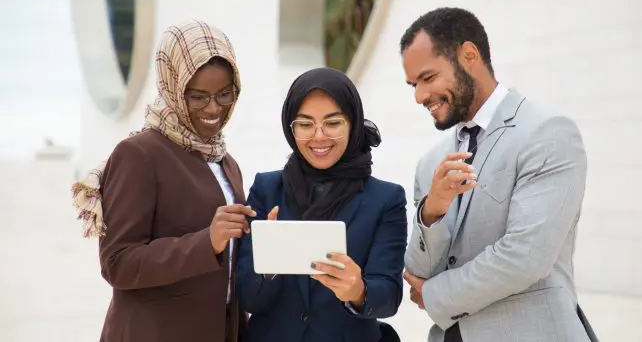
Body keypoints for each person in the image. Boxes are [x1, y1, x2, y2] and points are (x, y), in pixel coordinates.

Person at [399, 7, 597, 342]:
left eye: (428, 78)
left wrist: (435, 294)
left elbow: (525, 257)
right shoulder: (431, 161)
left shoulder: (547, 132)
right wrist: (431, 212)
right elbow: (419, 272)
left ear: (469, 55)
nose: (419, 96)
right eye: (413, 84)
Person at [71, 20, 252, 342]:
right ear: (173, 87)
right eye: (198, 97)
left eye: (225, 94)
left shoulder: (224, 161)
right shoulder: (139, 154)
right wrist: (206, 241)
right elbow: (118, 262)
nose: (214, 109)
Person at [236, 67, 407, 342]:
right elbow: (247, 299)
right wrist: (268, 266)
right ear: (290, 128)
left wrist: (359, 291)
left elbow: (389, 296)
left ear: (352, 123)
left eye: (332, 123)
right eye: (305, 124)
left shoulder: (386, 200)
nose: (318, 137)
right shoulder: (266, 190)